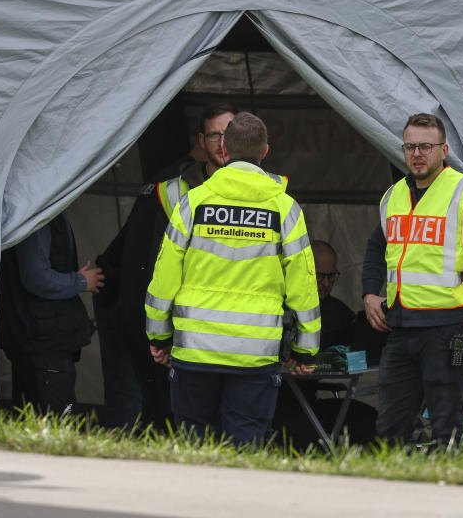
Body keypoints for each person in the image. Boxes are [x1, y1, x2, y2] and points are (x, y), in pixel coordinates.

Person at [145, 111, 321, 445]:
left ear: (224, 147)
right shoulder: (286, 209)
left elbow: (163, 279)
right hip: (255, 356)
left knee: (195, 448)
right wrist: (306, 351)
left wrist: (158, 337)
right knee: (245, 450)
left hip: (194, 353)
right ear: (265, 151)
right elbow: (304, 286)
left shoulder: (192, 203)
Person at [362, 113, 463, 448]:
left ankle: (447, 490)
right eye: (410, 146)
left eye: (426, 146)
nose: (417, 154)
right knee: (390, 426)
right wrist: (369, 293)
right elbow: (376, 247)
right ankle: (392, 493)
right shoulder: (393, 195)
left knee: (446, 425)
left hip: (448, 327)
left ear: (444, 150)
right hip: (401, 325)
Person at [94, 103, 237, 428]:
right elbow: (160, 270)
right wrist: (162, 333)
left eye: (228, 134)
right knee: (169, 415)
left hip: (238, 335)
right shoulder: (172, 190)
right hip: (179, 327)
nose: (223, 144)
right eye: (215, 135)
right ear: (201, 140)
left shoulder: (269, 193)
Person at [273, 240, 378, 449]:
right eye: (321, 276)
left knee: (371, 419)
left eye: (332, 276)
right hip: (277, 405)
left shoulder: (339, 311)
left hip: (310, 402)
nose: (327, 283)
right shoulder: (279, 307)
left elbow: (357, 344)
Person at [0, 211, 104, 416]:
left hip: (37, 336)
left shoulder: (33, 209)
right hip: (44, 339)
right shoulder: (39, 214)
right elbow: (36, 277)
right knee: (60, 418)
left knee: (32, 417)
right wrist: (81, 281)